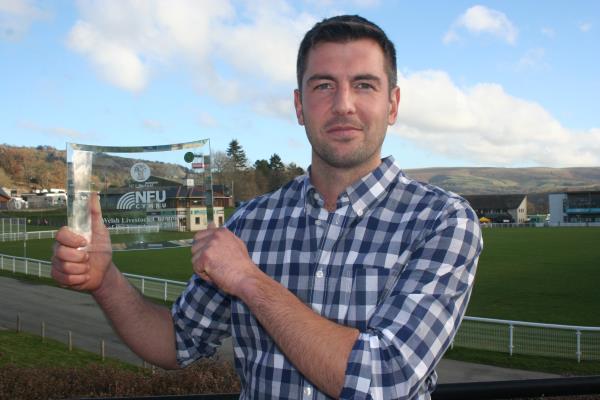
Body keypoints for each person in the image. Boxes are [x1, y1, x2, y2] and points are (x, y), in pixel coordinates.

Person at [52, 15, 483, 400]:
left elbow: (383, 381)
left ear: (392, 105)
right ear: (299, 106)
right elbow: (174, 343)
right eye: (323, 85)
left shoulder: (442, 220)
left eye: (364, 85)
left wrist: (248, 281)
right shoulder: (250, 222)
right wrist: (105, 280)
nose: (343, 104)